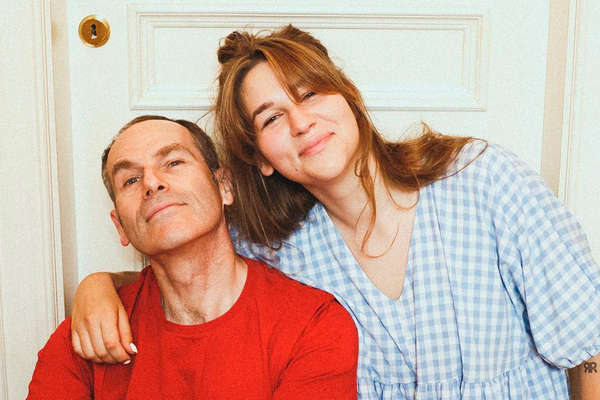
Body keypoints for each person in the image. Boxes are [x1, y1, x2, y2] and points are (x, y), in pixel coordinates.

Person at [69, 26, 600, 399]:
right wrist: (97, 286)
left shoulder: (482, 180)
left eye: (311, 94)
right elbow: (187, 267)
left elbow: (591, 348)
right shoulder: (277, 248)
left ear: (349, 97)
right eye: (272, 118)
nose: (301, 123)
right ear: (261, 158)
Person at [27, 115, 359, 399]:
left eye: (173, 163)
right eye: (130, 179)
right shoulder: (86, 338)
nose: (152, 183)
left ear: (224, 187)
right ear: (120, 226)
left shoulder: (313, 325)